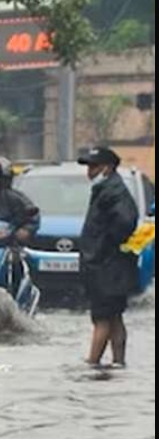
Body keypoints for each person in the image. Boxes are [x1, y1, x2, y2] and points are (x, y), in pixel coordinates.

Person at [76, 146, 139, 369]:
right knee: (113, 317)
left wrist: (103, 249)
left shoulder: (114, 192)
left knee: (103, 317)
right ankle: (118, 363)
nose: (90, 172)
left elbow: (125, 222)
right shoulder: (106, 190)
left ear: (108, 168)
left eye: (94, 167)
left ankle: (93, 364)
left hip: (107, 267)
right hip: (106, 265)